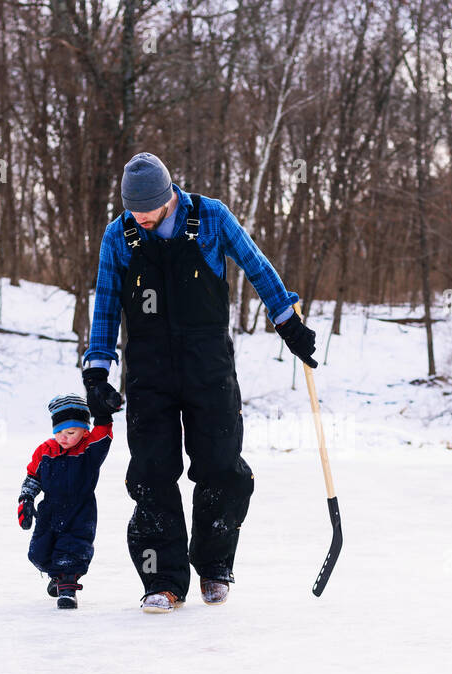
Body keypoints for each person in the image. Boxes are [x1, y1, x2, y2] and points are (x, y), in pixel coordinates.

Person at [81, 151, 318, 614]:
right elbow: (106, 308)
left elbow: (257, 266)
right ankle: (163, 580)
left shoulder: (210, 217)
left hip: (208, 367)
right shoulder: (119, 235)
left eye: (148, 210)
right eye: (134, 212)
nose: (142, 219)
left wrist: (287, 320)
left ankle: (214, 568)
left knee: (222, 467)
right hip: (148, 372)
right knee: (151, 473)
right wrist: (96, 372)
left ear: (169, 195)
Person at [17, 394, 113, 609]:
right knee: (39, 553)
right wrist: (26, 499)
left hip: (80, 510)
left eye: (71, 432)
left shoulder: (89, 450)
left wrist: (104, 413)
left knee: (72, 549)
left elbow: (103, 433)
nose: (64, 437)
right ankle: (58, 577)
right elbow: (33, 476)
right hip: (50, 510)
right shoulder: (45, 450)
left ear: (84, 431)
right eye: (58, 431)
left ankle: (68, 588)